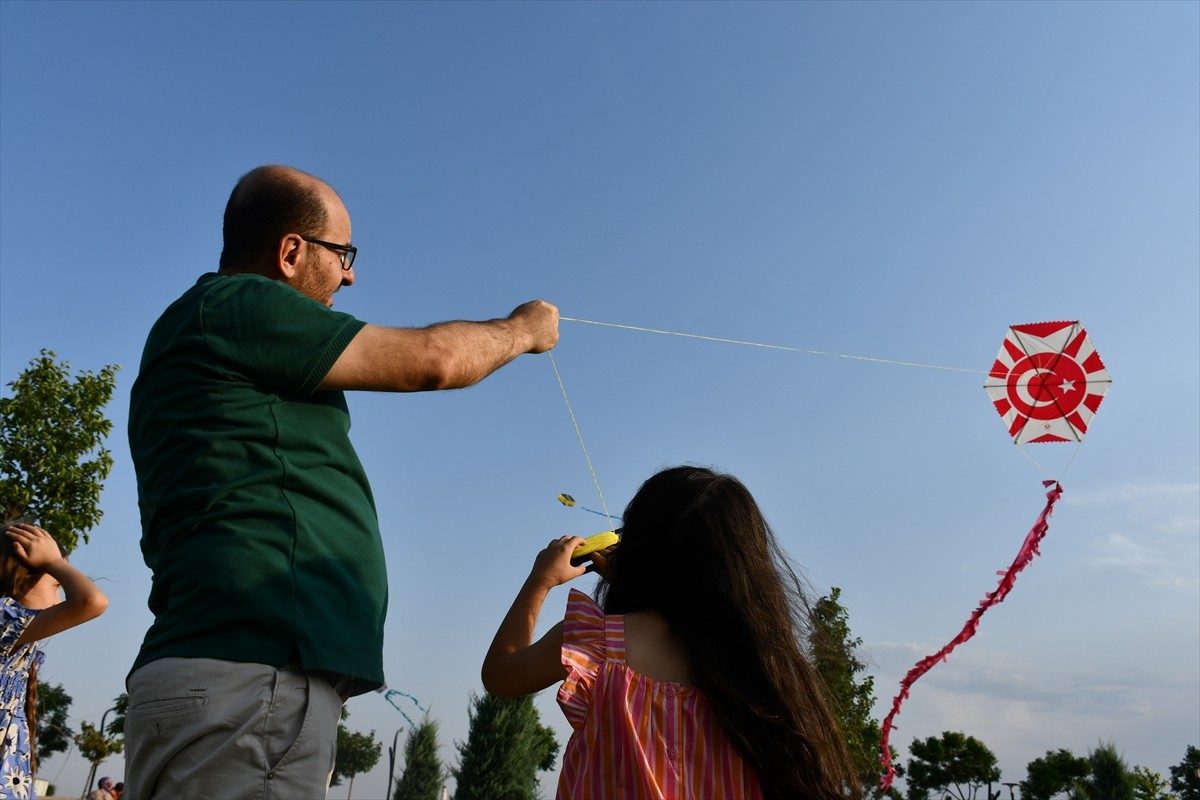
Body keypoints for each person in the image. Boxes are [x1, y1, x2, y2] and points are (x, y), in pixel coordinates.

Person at [124, 164, 560, 799]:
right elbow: (434, 362)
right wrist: (524, 330)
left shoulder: (200, 327)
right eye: (342, 254)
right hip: (254, 679)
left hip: (224, 677)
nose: (350, 275)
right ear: (292, 251)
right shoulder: (238, 304)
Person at [482, 466, 862, 800]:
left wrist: (541, 580)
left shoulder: (594, 642)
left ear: (637, 547)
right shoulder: (758, 669)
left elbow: (501, 673)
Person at [1, 522, 109, 799]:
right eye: (56, 584)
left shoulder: (17, 642)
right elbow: (92, 601)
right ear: (21, 580)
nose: (60, 597)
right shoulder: (4, 619)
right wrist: (53, 561)